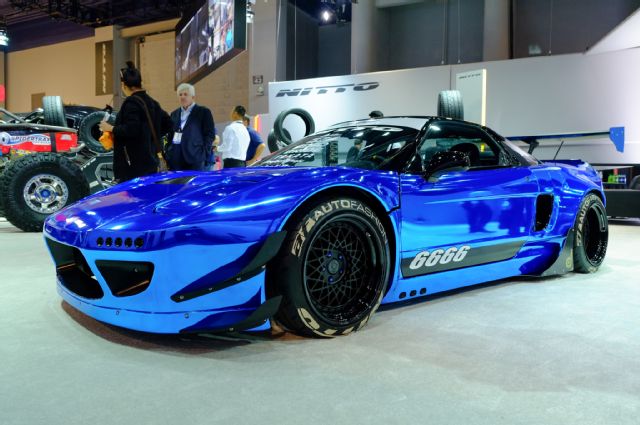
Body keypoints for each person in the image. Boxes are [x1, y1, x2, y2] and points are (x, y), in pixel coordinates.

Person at [99, 61, 172, 182]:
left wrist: (110, 128)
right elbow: (169, 123)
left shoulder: (131, 103)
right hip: (152, 160)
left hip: (133, 164)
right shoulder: (153, 103)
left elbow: (132, 129)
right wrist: (150, 137)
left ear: (124, 85)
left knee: (134, 193)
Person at [167, 83, 215, 171]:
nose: (182, 97)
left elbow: (210, 134)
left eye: (185, 94)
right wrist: (169, 150)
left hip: (196, 157)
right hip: (176, 159)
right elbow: (170, 135)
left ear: (193, 97)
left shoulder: (203, 112)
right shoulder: (174, 114)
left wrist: (204, 152)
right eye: (180, 95)